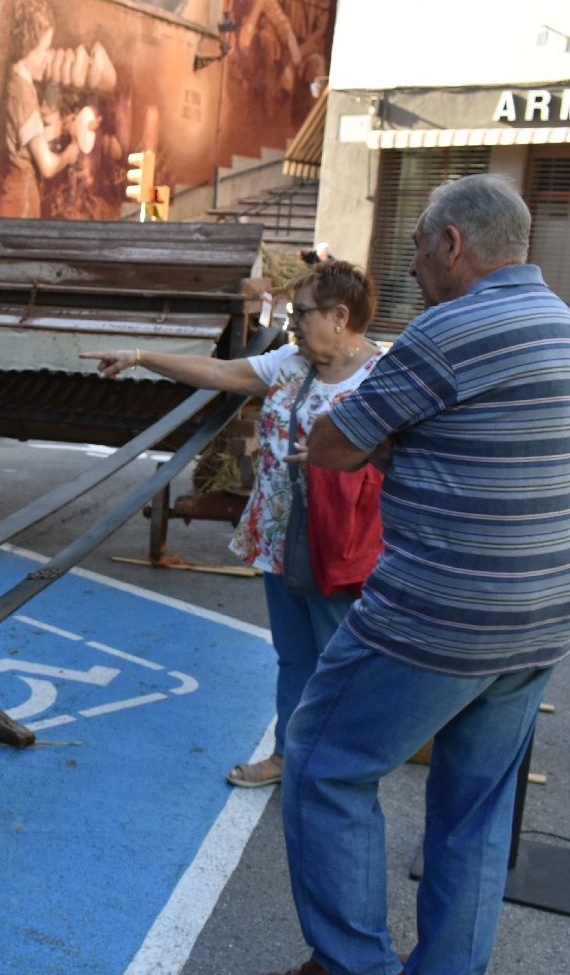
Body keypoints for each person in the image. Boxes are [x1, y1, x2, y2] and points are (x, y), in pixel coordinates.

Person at [249, 174, 570, 975]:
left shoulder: (448, 330)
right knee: (475, 804)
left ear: (451, 246)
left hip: (442, 607)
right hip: (543, 610)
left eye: (415, 249)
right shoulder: (567, 325)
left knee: (324, 758)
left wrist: (399, 435)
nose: (410, 266)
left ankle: (352, 962)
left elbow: (332, 442)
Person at [82, 261, 384, 789]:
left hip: (340, 544)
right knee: (294, 657)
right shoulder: (291, 362)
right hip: (280, 537)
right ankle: (288, 756)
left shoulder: (384, 375)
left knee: (340, 660)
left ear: (340, 315)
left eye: (302, 314)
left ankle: (343, 766)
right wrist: (139, 356)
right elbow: (220, 372)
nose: (292, 325)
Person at [0, 0, 99, 218]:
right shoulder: (21, 93)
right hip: (20, 202)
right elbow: (48, 165)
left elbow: (33, 137)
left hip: (21, 194)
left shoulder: (21, 84)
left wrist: (65, 127)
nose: (48, 58)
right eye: (44, 50)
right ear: (29, 47)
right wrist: (70, 154)